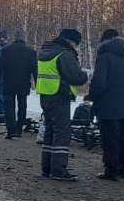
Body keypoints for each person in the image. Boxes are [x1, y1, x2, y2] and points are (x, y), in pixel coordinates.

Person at [37, 29, 88, 181]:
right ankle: (59, 170)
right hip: (60, 96)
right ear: (70, 41)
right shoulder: (64, 54)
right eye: (76, 44)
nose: (76, 47)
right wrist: (86, 75)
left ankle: (47, 168)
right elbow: (76, 77)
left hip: (45, 95)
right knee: (62, 132)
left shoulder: (45, 52)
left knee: (50, 131)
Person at [87, 35, 124, 180]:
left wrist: (92, 96)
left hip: (108, 105)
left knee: (110, 139)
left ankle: (111, 170)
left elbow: (99, 82)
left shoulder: (104, 58)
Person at [0, 29, 37, 139]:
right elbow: (35, 69)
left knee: (9, 107)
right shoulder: (31, 52)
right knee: (22, 105)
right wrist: (37, 83)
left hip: (8, 83)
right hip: (23, 84)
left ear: (15, 38)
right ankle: (19, 129)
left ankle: (11, 130)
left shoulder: (6, 50)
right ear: (24, 39)